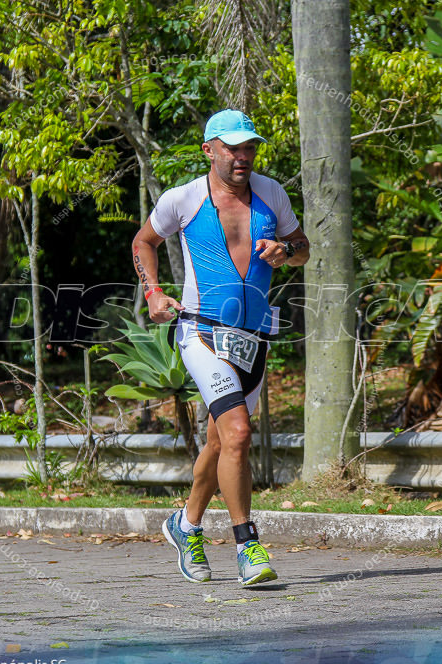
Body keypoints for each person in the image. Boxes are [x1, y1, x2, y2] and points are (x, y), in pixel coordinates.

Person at [131, 109, 310, 586]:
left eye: (249, 147)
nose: (242, 157)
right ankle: (248, 545)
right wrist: (152, 291)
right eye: (232, 148)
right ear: (209, 149)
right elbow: (143, 241)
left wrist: (285, 252)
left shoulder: (272, 193)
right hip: (201, 332)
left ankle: (185, 524)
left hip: (253, 339)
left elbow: (303, 247)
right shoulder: (183, 199)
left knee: (219, 443)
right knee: (237, 434)